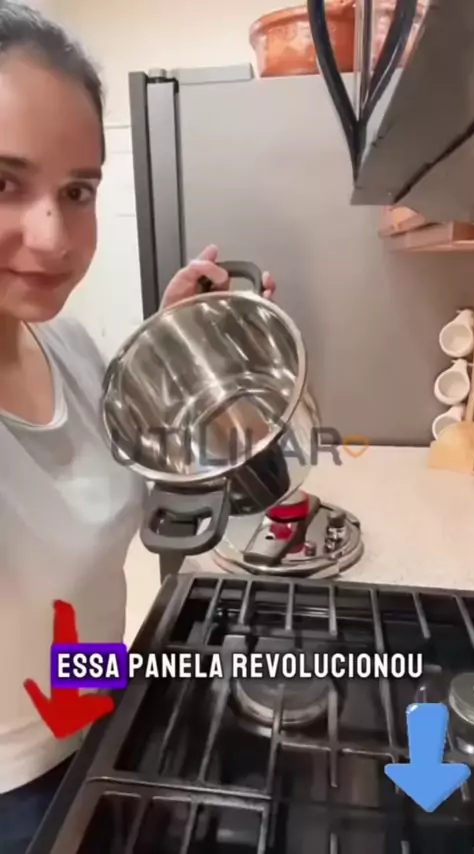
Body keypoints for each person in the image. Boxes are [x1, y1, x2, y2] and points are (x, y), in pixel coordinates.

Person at [0, 3, 276, 852]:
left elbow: (126, 454)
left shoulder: (67, 344)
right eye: (3, 183)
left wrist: (169, 339)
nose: (54, 237)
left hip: (102, 698)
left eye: (77, 191)